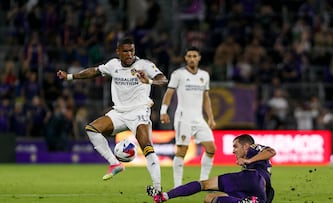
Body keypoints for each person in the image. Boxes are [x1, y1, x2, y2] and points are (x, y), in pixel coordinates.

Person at [56, 37, 168, 191]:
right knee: (92, 129)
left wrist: (148, 81)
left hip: (139, 112)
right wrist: (69, 77)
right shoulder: (113, 65)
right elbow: (94, 71)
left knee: (147, 147)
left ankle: (157, 189)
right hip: (119, 113)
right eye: (125, 51)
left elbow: (163, 80)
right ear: (118, 52)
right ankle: (114, 163)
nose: (129, 54)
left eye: (131, 51)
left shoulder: (144, 65)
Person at [147, 134, 276, 203]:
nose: (233, 151)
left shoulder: (253, 148)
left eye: (236, 146)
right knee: (210, 198)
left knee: (204, 184)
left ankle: (165, 196)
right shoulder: (259, 161)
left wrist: (248, 160)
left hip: (252, 177)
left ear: (246, 146)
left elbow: (271, 151)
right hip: (258, 193)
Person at [159, 46, 216, 188]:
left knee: (211, 148)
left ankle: (203, 181)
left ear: (199, 58)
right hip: (183, 118)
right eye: (189, 56)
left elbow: (206, 97)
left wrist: (210, 117)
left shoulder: (204, 75)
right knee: (182, 151)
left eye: (194, 56)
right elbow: (169, 93)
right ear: (185, 58)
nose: (192, 58)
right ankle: (177, 185)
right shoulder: (178, 74)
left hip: (198, 119)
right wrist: (163, 111)